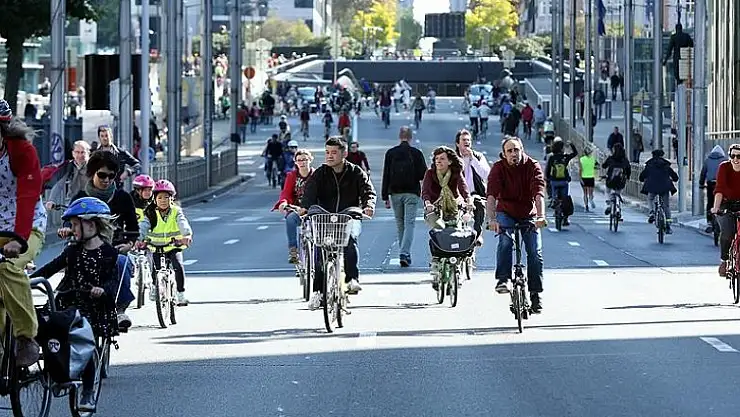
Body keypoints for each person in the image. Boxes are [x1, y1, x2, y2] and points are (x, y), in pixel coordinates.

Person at [30, 197, 120, 411]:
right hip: (68, 303)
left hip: (95, 308)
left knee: (85, 344)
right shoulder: (72, 251)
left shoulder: (109, 253)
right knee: (46, 329)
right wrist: (28, 280)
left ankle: (88, 392)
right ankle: (57, 373)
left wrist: (102, 290)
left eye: (75, 224)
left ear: (91, 224)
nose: (72, 229)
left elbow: (112, 282)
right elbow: (50, 268)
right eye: (71, 225)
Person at [301, 137, 376, 310]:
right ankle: (318, 293)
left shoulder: (355, 172)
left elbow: (368, 191)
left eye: (334, 152)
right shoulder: (320, 173)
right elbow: (309, 192)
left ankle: (351, 280)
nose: (329, 156)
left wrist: (369, 206)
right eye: (327, 152)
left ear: (344, 154)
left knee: (350, 240)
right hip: (324, 218)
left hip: (349, 217)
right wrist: (304, 207)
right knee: (320, 252)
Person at [65, 151, 138, 328]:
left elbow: (133, 229)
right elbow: (68, 223)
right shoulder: (80, 198)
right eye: (102, 175)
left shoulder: (123, 197)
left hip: (114, 249)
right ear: (92, 173)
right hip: (85, 249)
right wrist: (66, 230)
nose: (107, 180)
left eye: (111, 176)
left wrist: (129, 244)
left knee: (121, 263)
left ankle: (119, 310)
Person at [0, 98, 46, 367]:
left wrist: (19, 239)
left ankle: (26, 337)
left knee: (7, 267)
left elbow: (28, 196)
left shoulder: (22, 151)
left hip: (27, 226)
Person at [486, 136, 547, 313]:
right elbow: (491, 195)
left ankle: (535, 294)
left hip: (528, 214)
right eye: (510, 151)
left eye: (516, 150)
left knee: (534, 252)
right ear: (504, 154)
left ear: (522, 150)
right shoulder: (498, 168)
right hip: (506, 212)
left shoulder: (532, 165)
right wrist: (492, 219)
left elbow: (539, 193)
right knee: (505, 241)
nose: (514, 154)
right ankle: (503, 279)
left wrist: (541, 216)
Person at [422, 146, 473, 290]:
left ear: (449, 161)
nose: (438, 161)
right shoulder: (430, 173)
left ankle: (458, 266)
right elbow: (425, 191)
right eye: (436, 159)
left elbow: (464, 189)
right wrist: (428, 204)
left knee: (457, 233)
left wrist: (468, 201)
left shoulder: (456, 173)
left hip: (453, 207)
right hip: (435, 208)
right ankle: (436, 261)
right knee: (438, 232)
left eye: (442, 159)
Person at [138, 180, 193, 305]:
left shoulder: (176, 211)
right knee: (155, 269)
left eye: (166, 197)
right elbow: (143, 226)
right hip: (156, 246)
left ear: (172, 198)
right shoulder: (150, 212)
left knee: (178, 265)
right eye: (160, 197)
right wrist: (138, 239)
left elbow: (183, 223)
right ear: (155, 199)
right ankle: (154, 287)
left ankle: (180, 293)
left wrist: (186, 235)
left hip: (173, 246)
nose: (163, 200)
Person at [381, 127, 427, 267]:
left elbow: (386, 174)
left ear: (399, 136)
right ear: (411, 137)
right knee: (409, 224)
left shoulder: (391, 153)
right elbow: (423, 175)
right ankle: (404, 253)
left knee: (400, 224)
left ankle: (404, 252)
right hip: (411, 192)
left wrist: (385, 196)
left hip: (395, 193)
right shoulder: (416, 153)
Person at [273, 149, 315, 263]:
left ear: (310, 160)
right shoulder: (292, 176)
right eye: (299, 160)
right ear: (295, 162)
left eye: (305, 160)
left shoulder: (316, 175)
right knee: (290, 219)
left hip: (313, 209)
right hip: (297, 209)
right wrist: (283, 202)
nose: (302, 163)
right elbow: (286, 192)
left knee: (320, 225)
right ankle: (293, 251)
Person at [710, 144, 740, 277]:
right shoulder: (724, 167)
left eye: (739, 156)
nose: (736, 159)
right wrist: (716, 207)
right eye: (733, 156)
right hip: (726, 203)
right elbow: (720, 189)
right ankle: (724, 260)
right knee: (728, 232)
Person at [455, 129, 489, 242]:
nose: (467, 142)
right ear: (457, 143)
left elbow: (486, 174)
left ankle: (477, 235)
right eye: (464, 140)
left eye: (468, 140)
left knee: (480, 205)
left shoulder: (478, 156)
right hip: (457, 194)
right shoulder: (452, 158)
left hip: (475, 193)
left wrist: (472, 159)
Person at [639, 148, 678, 233]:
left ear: (653, 155)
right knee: (666, 206)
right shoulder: (666, 165)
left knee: (650, 198)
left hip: (652, 187)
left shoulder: (649, 164)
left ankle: (652, 212)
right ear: (662, 155)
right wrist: (674, 179)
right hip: (664, 187)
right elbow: (675, 177)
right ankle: (668, 225)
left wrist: (643, 179)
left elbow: (642, 176)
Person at [45, 140, 91, 210]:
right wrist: (51, 200)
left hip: (90, 200)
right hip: (74, 200)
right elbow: (59, 184)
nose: (80, 155)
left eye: (83, 152)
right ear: (73, 153)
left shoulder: (92, 165)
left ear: (88, 153)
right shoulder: (69, 166)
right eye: (77, 152)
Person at [544, 138, 578, 226]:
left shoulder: (552, 157)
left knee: (554, 194)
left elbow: (548, 170)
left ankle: (553, 200)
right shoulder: (565, 157)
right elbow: (575, 153)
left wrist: (547, 178)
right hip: (564, 181)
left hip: (554, 181)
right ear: (562, 148)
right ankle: (565, 218)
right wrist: (571, 145)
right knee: (565, 199)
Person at [700, 145, 727, 232]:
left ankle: (709, 221)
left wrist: (701, 183)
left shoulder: (707, 160)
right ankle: (723, 219)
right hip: (722, 184)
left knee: (710, 202)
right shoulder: (725, 160)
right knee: (722, 202)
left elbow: (703, 173)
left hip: (710, 184)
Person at [601, 143, 632, 216]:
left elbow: (604, 166)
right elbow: (629, 169)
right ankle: (618, 207)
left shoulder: (611, 158)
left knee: (608, 191)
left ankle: (609, 204)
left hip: (611, 181)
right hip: (621, 181)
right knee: (618, 193)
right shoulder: (625, 160)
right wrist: (628, 177)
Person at [578, 146, 599, 211]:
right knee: (591, 193)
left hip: (584, 177)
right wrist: (593, 167)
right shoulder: (593, 159)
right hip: (591, 177)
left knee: (585, 193)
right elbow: (598, 166)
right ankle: (591, 199)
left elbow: (580, 169)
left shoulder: (581, 159)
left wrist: (580, 178)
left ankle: (586, 206)